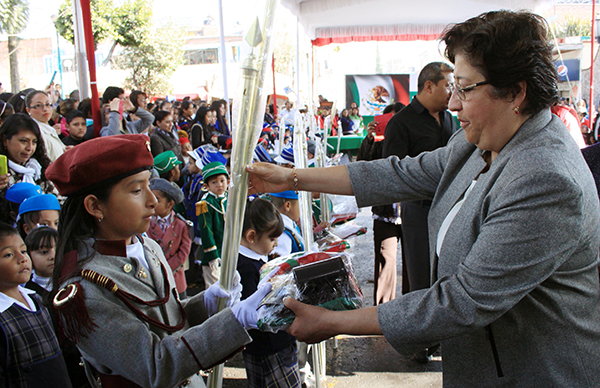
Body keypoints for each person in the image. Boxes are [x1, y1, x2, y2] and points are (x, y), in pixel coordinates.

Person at [246, 11, 600, 387]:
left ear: (515, 92)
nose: (453, 104)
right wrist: (291, 177)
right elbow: (398, 172)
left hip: (533, 372)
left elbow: (459, 301)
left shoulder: (545, 179)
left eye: (465, 88)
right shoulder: (480, 143)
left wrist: (335, 322)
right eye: (453, 89)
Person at [45, 134, 271, 388]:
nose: (152, 200)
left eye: (149, 186)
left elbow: (165, 320)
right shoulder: (85, 288)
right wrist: (235, 321)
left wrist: (205, 305)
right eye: (136, 190)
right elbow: (155, 364)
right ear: (95, 206)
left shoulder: (146, 245)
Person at [381, 62, 457, 321]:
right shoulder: (401, 123)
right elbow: (392, 172)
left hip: (451, 208)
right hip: (419, 211)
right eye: (448, 85)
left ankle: (442, 332)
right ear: (429, 85)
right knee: (421, 277)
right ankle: (420, 339)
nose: (453, 91)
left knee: (447, 275)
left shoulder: (450, 119)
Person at [237, 198, 300, 388]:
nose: (276, 243)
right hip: (270, 346)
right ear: (251, 236)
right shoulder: (246, 269)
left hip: (266, 346)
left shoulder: (250, 259)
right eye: (272, 239)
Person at [0, 223, 72, 388]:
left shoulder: (36, 299)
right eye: (9, 254)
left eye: (23, 251)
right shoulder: (2, 317)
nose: (22, 258)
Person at [357, 102, 405, 306]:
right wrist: (370, 140)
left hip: (412, 211)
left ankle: (412, 313)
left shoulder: (409, 140)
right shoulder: (377, 142)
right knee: (385, 262)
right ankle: (383, 312)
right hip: (385, 213)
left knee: (415, 266)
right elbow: (362, 166)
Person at [0, 114, 55, 225]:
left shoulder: (38, 168)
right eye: (23, 141)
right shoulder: (3, 173)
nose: (29, 148)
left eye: (34, 142)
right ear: (5, 140)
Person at [146, 178, 192, 300]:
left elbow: (183, 252)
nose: (152, 202)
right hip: (153, 277)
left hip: (175, 278)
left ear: (170, 204)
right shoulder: (146, 223)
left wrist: (165, 268)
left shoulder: (180, 225)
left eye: (157, 200)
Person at [196, 161, 229, 288]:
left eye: (222, 180)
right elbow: (206, 231)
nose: (219, 185)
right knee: (214, 287)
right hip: (214, 254)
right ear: (206, 186)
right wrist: (212, 256)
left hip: (228, 251)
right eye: (214, 182)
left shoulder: (229, 198)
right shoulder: (205, 203)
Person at [25, 90, 67, 162]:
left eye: (47, 104)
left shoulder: (49, 128)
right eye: (38, 105)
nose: (45, 109)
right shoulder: (36, 132)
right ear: (28, 110)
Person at [24, 226, 57, 298]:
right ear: (29, 256)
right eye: (44, 252)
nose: (53, 256)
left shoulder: (74, 281)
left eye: (58, 250)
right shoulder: (29, 294)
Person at [269, 191, 304, 257]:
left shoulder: (290, 224)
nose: (302, 210)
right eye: (300, 205)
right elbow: (281, 262)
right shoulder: (282, 234)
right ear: (288, 206)